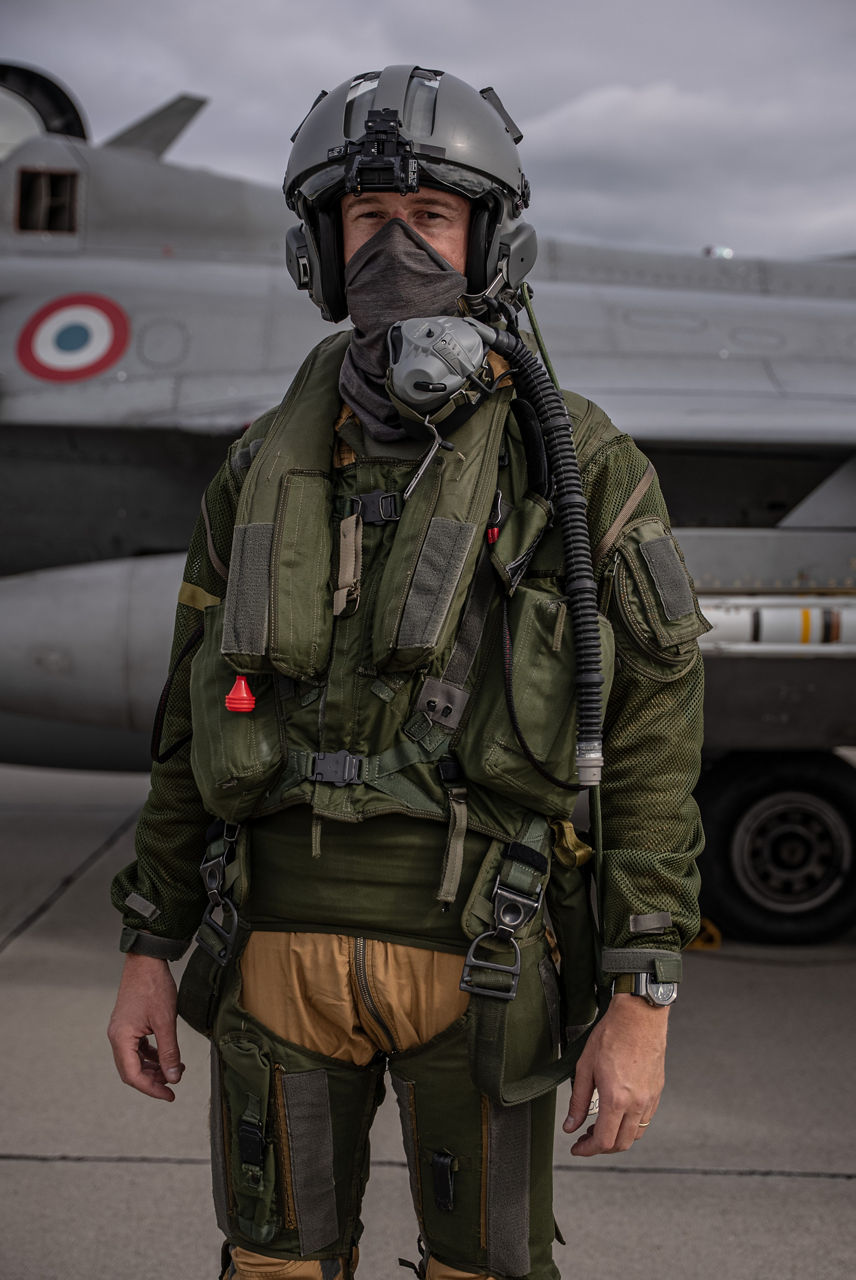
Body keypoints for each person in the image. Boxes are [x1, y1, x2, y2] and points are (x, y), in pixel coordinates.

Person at [108, 65, 707, 1280]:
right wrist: (145, 947)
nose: (397, 246)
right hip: (273, 948)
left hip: (483, 957)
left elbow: (650, 740)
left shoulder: (579, 465)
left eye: (430, 217)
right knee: (269, 1263)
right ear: (319, 252)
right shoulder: (252, 471)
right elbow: (188, 722)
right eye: (366, 218)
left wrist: (641, 997)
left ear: (489, 240)